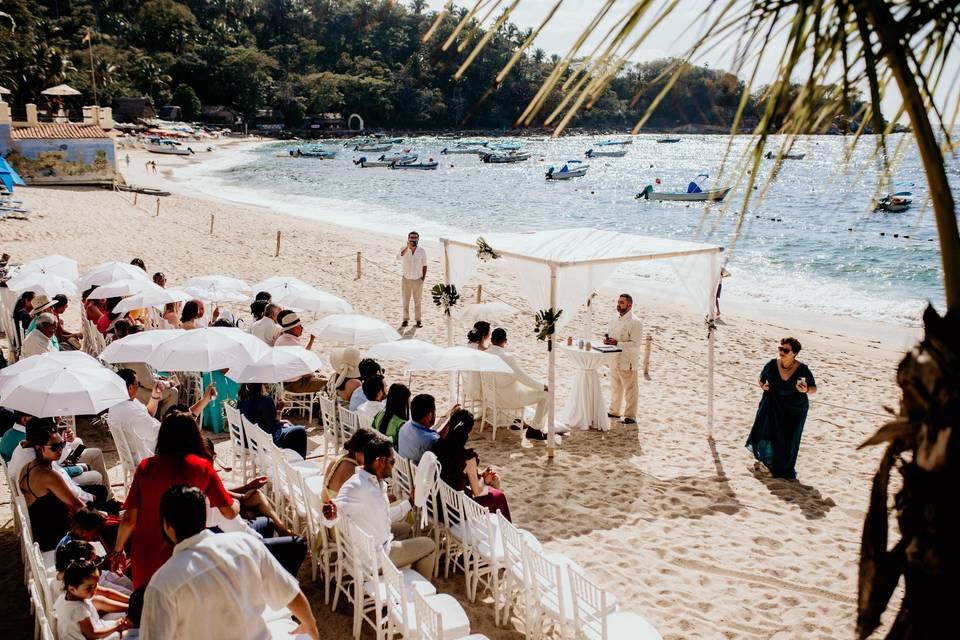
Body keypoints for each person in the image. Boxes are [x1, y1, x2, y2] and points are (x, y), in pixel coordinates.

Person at [141, 485, 319, 640]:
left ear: (166, 525)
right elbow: (290, 593)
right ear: (205, 517)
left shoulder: (162, 583)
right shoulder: (245, 544)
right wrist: (309, 624)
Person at [111, 412, 239, 589]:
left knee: (147, 609)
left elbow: (129, 519)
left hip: (146, 552)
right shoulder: (201, 467)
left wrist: (118, 551)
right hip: (185, 557)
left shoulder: (146, 467)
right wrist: (237, 503)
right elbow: (229, 512)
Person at [322, 438, 436, 579]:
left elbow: (384, 515)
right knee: (429, 545)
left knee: (406, 528)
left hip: (371, 546)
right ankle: (420, 592)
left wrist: (410, 503)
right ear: (381, 461)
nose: (393, 466)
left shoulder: (378, 482)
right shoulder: (356, 486)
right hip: (376, 559)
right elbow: (337, 508)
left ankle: (406, 572)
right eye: (392, 462)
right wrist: (331, 514)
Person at [745, 337, 818, 480]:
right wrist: (762, 386)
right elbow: (761, 379)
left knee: (788, 438)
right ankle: (766, 461)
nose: (781, 352)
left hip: (795, 409)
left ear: (794, 353)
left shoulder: (803, 369)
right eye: (780, 348)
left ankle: (783, 468)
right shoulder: (772, 364)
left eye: (785, 350)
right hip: (771, 404)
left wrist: (805, 390)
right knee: (766, 431)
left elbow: (814, 388)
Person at [109, 368, 215, 460]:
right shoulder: (133, 412)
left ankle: (204, 401)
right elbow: (164, 434)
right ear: (130, 388)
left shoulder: (119, 404)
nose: (139, 387)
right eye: (138, 384)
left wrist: (155, 396)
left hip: (148, 444)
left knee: (179, 413)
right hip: (156, 452)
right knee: (200, 439)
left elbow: (148, 413)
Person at [18, 418, 88, 550]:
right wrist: (101, 516)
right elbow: (78, 505)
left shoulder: (27, 467)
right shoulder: (48, 475)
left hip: (44, 532)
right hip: (56, 540)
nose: (60, 450)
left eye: (61, 444)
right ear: (39, 448)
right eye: (55, 447)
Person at [432, 409, 511, 521]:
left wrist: (480, 475)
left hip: (439, 503)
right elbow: (477, 491)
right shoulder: (468, 458)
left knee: (493, 493)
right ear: (468, 432)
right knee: (499, 497)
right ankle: (505, 535)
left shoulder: (437, 446)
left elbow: (453, 474)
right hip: (456, 512)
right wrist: (484, 479)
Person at [487, 328, 551, 437]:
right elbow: (523, 378)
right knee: (547, 395)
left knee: (526, 388)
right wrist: (542, 386)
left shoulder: (485, 354)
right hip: (507, 399)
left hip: (491, 397)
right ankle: (535, 429)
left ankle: (516, 419)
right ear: (505, 341)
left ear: (491, 340)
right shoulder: (507, 357)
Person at [53, 559, 131, 639]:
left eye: (96, 585)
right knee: (128, 633)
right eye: (89, 587)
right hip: (94, 636)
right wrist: (116, 627)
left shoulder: (64, 597)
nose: (94, 590)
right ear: (72, 589)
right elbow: (92, 634)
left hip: (97, 628)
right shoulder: (79, 609)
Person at [603, 293, 643, 425]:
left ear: (629, 305)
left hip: (628, 361)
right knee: (615, 387)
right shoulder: (613, 320)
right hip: (614, 359)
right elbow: (612, 337)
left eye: (621, 302)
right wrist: (607, 341)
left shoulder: (636, 322)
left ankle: (630, 416)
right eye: (618, 302)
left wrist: (617, 343)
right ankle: (614, 411)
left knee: (630, 389)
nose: (618, 305)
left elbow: (636, 344)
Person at [237, 383, 308, 458]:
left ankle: (288, 460)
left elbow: (257, 419)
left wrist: (280, 422)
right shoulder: (265, 400)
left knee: (289, 428)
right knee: (300, 431)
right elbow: (273, 428)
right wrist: (279, 411)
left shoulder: (241, 400)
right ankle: (296, 461)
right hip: (263, 441)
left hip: (246, 440)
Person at [122, 327, 180, 418]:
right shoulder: (137, 357)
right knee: (173, 392)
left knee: (168, 383)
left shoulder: (130, 350)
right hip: (138, 392)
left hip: (134, 388)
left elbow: (146, 375)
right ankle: (165, 420)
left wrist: (159, 378)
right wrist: (169, 383)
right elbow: (149, 383)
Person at [397, 394, 459, 464]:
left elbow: (437, 438)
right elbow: (443, 446)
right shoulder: (430, 441)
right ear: (429, 415)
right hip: (422, 474)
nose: (435, 414)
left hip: (405, 473)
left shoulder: (405, 427)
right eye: (434, 412)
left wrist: (449, 421)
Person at [322, 428, 381, 501]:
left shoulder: (337, 459)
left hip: (325, 505)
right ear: (360, 452)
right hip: (337, 510)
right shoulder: (354, 471)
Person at [398, 230, 427, 328]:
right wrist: (407, 247)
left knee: (417, 301)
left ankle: (418, 320)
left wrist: (423, 278)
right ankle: (405, 320)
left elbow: (425, 265)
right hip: (406, 279)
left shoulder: (422, 251)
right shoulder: (404, 249)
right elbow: (399, 257)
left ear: (418, 239)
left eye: (415, 237)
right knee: (406, 300)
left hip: (417, 280)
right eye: (412, 237)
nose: (413, 239)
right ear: (408, 238)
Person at [463, 321, 491, 404]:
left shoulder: (468, 346)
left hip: (467, 386)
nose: (490, 335)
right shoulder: (482, 351)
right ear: (484, 335)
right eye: (489, 332)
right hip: (477, 389)